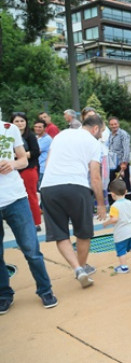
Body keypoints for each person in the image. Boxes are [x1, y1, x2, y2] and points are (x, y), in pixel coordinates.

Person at [40, 115, 108, 288]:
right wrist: (101, 204)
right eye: (101, 131)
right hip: (76, 186)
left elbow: (48, 164)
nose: (101, 135)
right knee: (83, 231)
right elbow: (95, 177)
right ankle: (83, 266)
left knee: (59, 232)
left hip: (49, 186)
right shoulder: (94, 143)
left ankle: (77, 268)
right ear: (95, 129)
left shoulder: (61, 135)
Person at [0, 118, 57, 314]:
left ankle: (45, 289)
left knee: (31, 249)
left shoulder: (9, 129)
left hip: (15, 198)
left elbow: (24, 160)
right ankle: (4, 294)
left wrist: (13, 164)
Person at [102, 179, 131, 274]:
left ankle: (123, 267)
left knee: (121, 250)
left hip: (121, 233)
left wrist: (106, 223)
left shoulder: (114, 206)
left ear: (112, 194)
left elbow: (114, 219)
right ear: (126, 191)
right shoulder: (130, 203)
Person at [11, 113, 41, 232]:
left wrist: (20, 156)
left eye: (22, 121)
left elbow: (35, 152)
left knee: (31, 196)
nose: (19, 123)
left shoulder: (30, 136)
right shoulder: (8, 136)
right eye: (17, 121)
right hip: (13, 170)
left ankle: (36, 223)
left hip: (29, 169)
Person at [107, 117, 131, 204]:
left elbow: (126, 149)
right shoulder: (110, 134)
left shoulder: (123, 134)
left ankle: (129, 200)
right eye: (112, 124)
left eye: (115, 124)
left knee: (125, 182)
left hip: (121, 162)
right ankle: (112, 201)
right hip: (112, 162)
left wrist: (124, 162)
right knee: (111, 181)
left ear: (118, 124)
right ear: (109, 125)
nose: (114, 126)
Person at [33, 119, 52, 189]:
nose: (37, 129)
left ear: (45, 128)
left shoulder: (47, 139)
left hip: (42, 169)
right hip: (36, 167)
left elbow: (36, 151)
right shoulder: (36, 138)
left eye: (40, 127)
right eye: (36, 127)